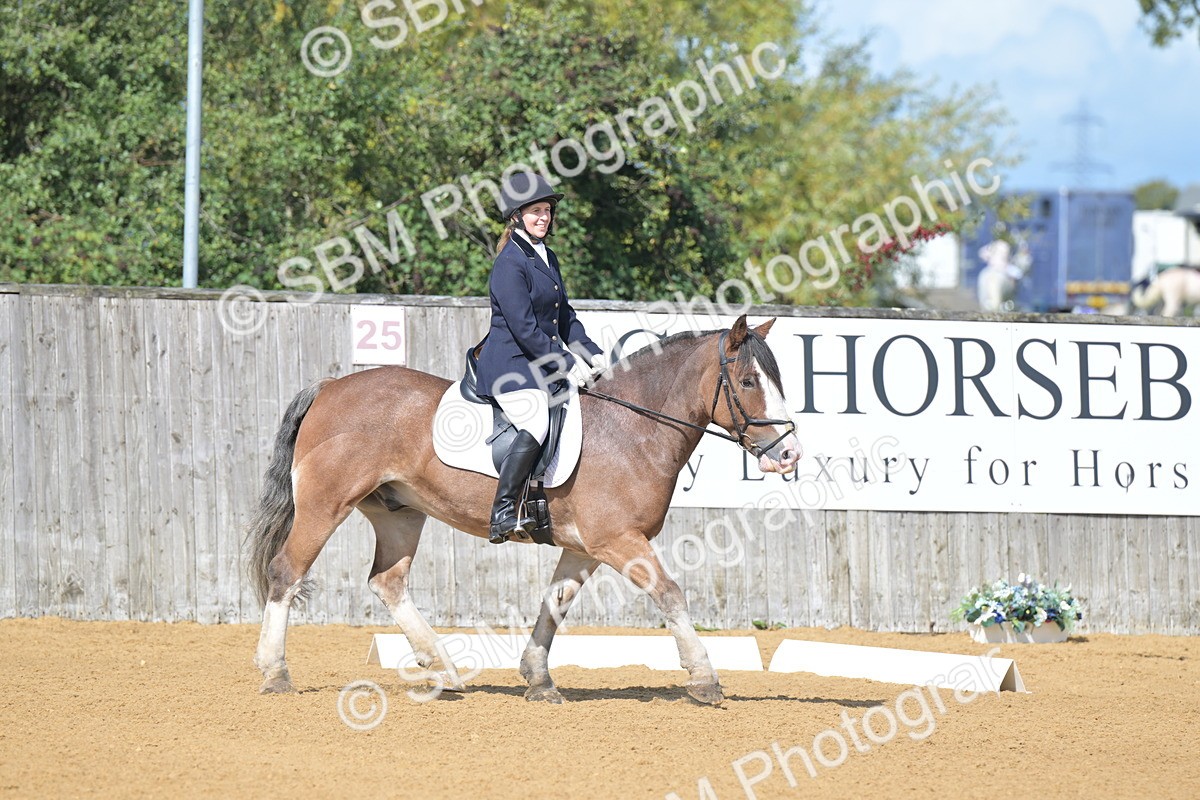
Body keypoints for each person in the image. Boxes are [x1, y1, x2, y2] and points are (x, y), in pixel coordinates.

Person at [474, 172, 606, 544]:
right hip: (510, 365)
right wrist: (566, 363)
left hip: (538, 362)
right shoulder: (509, 263)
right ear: (517, 216)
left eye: (547, 210)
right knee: (536, 419)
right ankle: (502, 511)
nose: (543, 217)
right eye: (535, 211)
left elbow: (564, 317)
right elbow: (524, 327)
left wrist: (590, 354)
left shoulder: (547, 257)